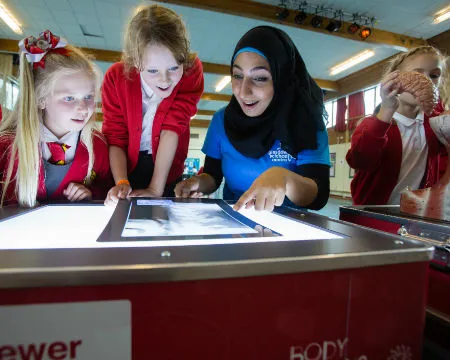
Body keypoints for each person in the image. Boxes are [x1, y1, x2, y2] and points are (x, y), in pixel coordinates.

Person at [175, 26, 330, 212]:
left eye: (260, 78)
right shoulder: (221, 121)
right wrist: (197, 183)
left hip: (288, 226)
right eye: (238, 76)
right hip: (234, 221)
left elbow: (318, 196)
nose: (243, 91)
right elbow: (213, 175)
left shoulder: (305, 121)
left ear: (282, 79)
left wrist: (285, 180)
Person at [102, 4, 204, 206]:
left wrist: (156, 189)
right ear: (135, 62)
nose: (165, 80)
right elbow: (115, 136)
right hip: (124, 167)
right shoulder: (116, 77)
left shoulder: (191, 72)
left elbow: (171, 129)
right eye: (152, 71)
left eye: (174, 67)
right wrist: (122, 181)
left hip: (166, 170)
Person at [0, 30, 112, 207]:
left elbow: (107, 186)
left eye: (88, 97)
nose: (83, 108)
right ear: (41, 99)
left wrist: (91, 194)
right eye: (69, 98)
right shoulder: (8, 146)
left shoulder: (97, 145)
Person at [346, 46, 448, 205]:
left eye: (434, 75)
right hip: (372, 215)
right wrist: (387, 108)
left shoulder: (435, 126)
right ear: (395, 78)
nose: (427, 81)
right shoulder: (372, 124)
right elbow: (360, 161)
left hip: (413, 216)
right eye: (417, 73)